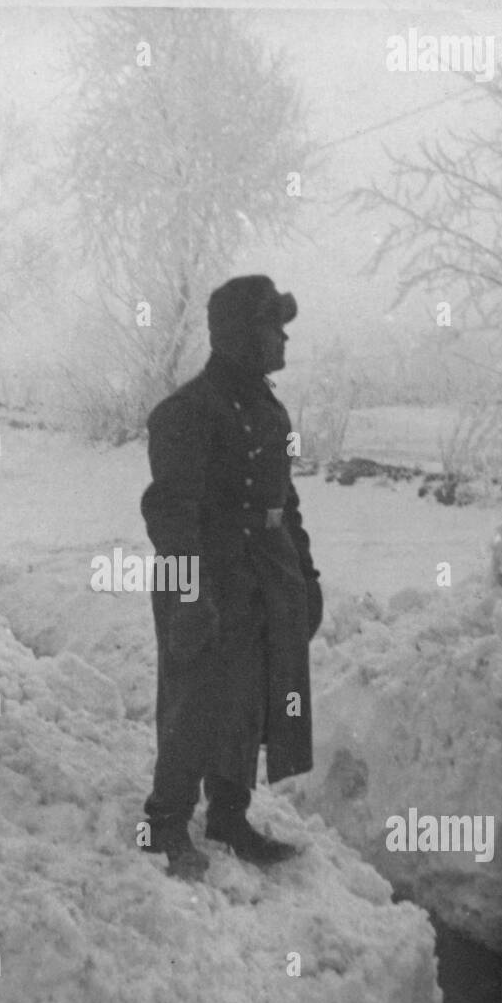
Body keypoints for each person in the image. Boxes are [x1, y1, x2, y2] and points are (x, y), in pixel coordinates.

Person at [140, 275, 323, 881]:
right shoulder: (186, 411)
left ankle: (228, 816)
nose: (284, 337)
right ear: (244, 335)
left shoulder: (269, 409)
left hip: (260, 575)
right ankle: (165, 822)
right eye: (274, 326)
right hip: (203, 574)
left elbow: (283, 503)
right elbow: (171, 510)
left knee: (247, 697)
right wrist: (192, 596)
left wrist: (305, 574)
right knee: (194, 698)